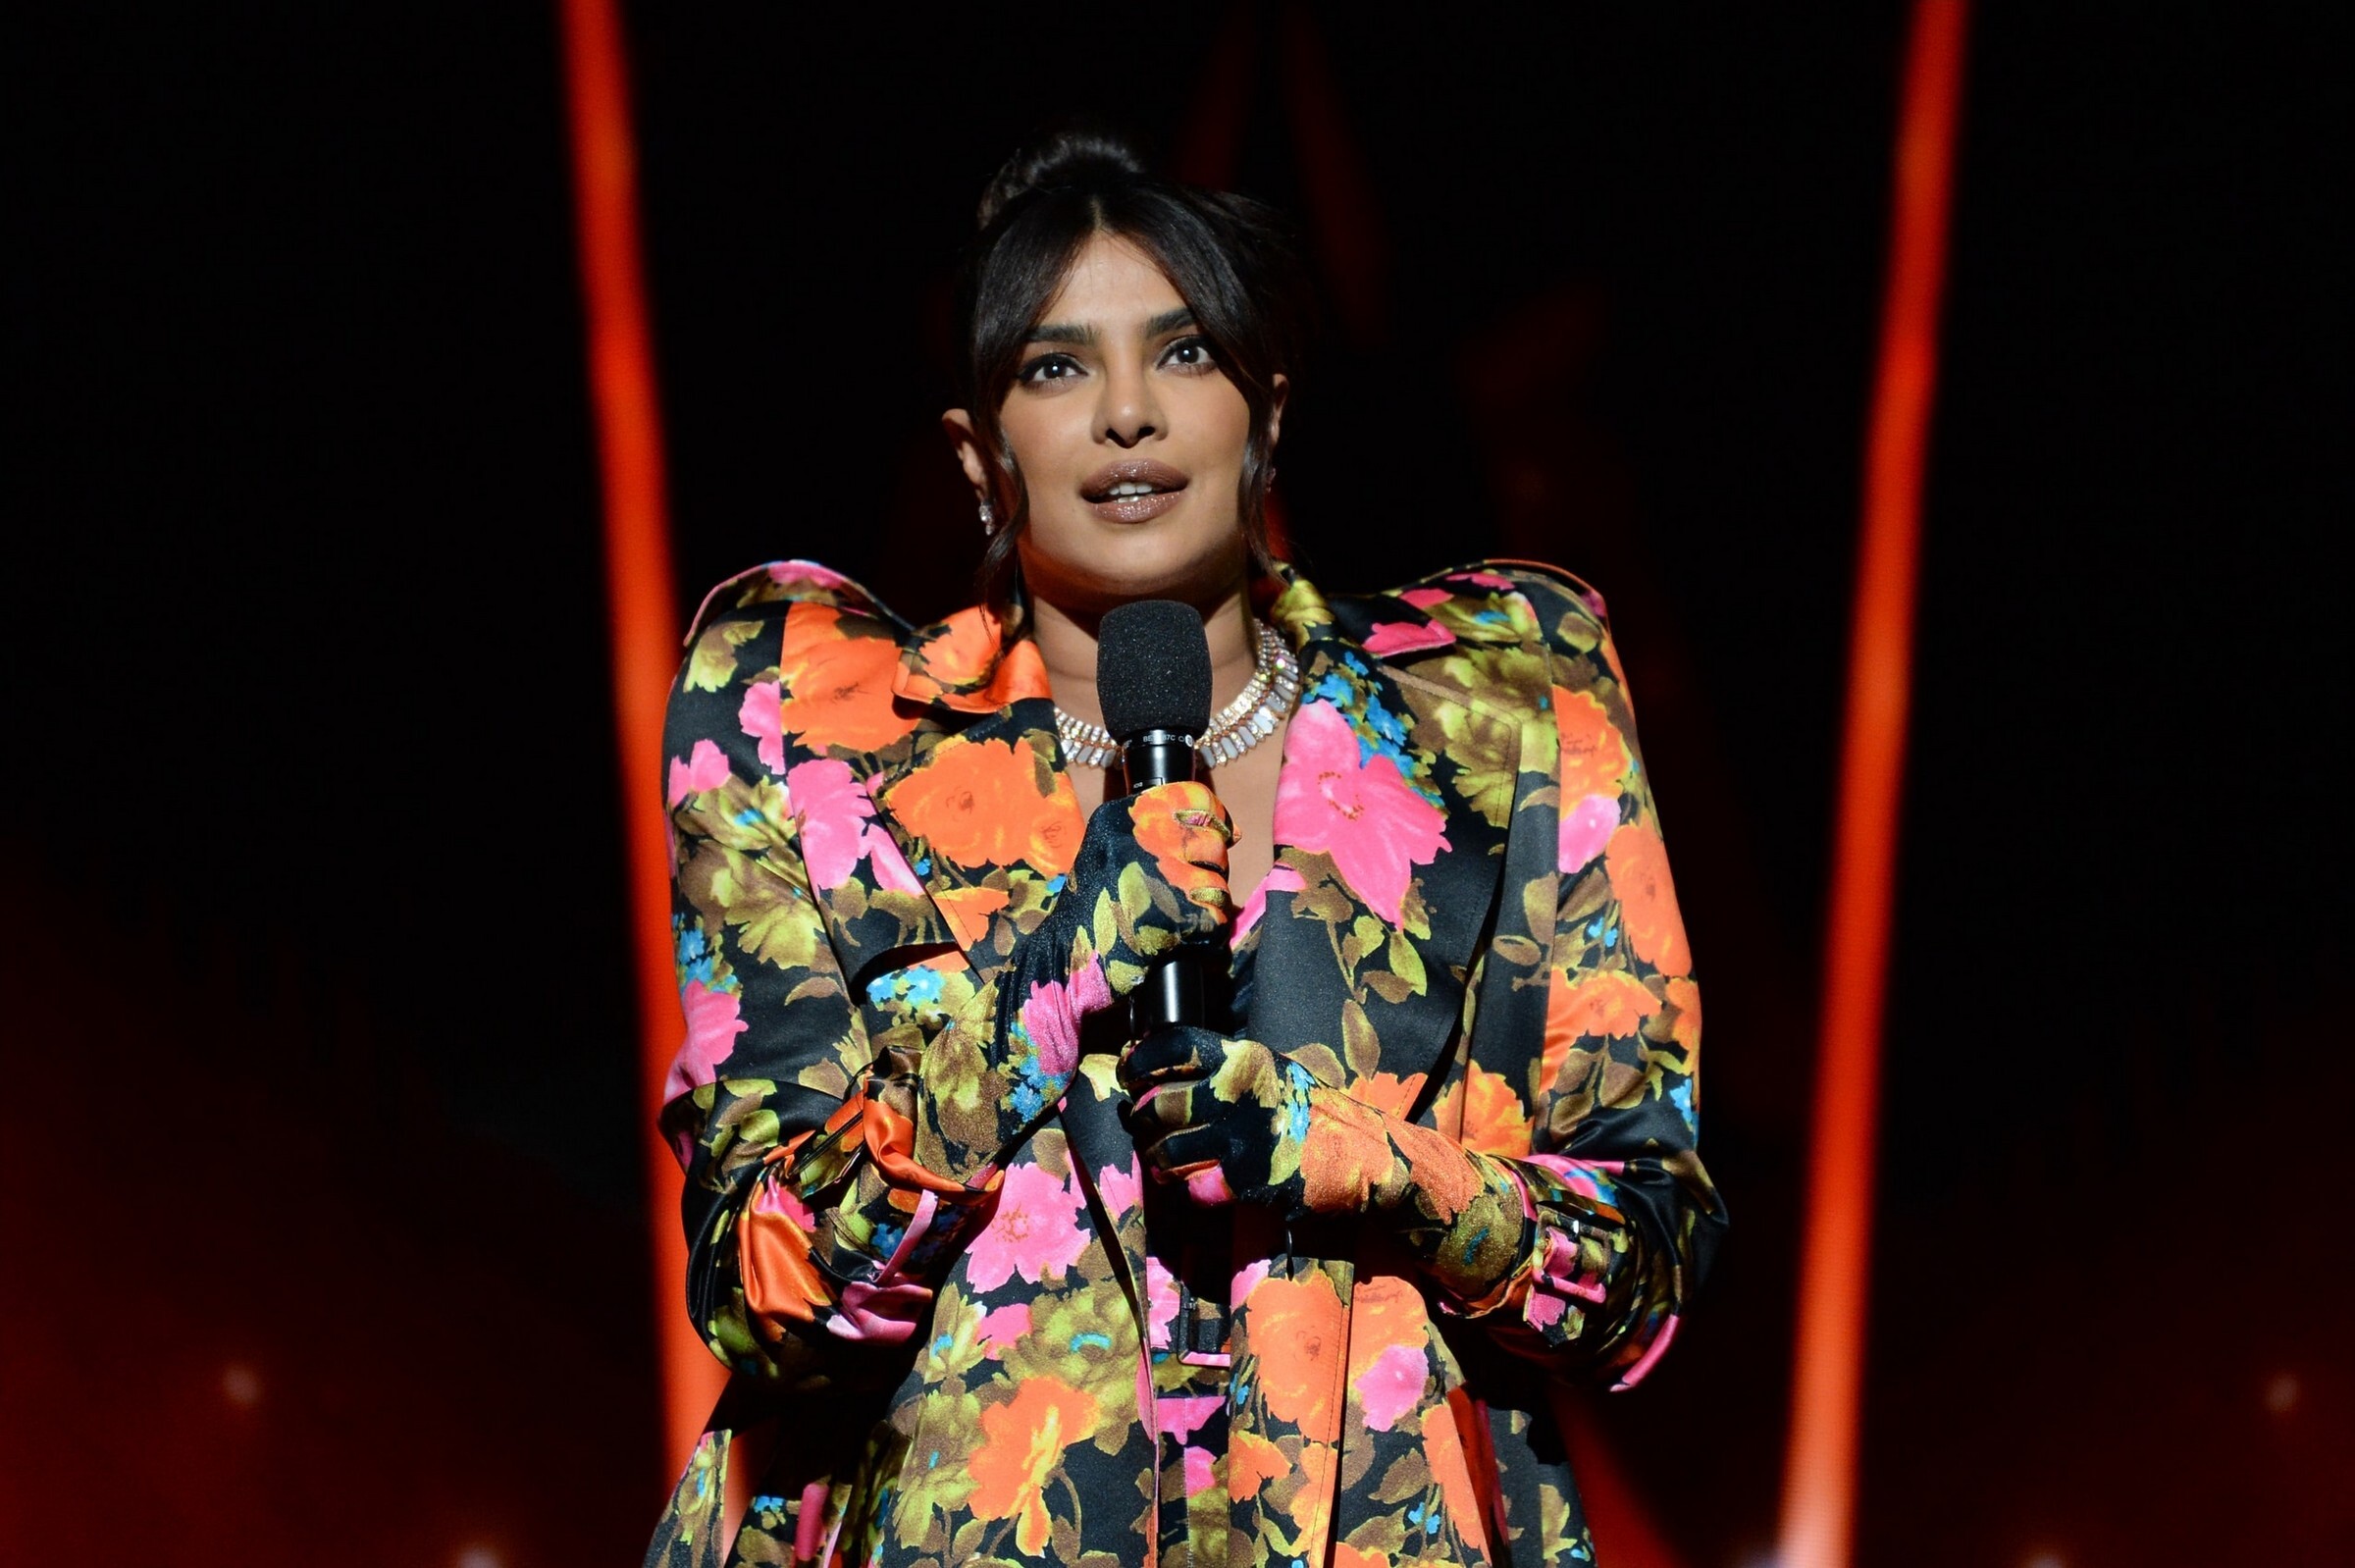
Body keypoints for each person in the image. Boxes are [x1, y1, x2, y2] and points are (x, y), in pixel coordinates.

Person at [646, 128, 1723, 1568]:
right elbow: (756, 1289)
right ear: (979, 454)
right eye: (1057, 367)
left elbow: (1644, 1270)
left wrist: (1364, 1161)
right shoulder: (808, 730)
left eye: (1185, 351)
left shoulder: (1507, 711)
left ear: (1266, 410)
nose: (1128, 414)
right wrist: (1052, 987)